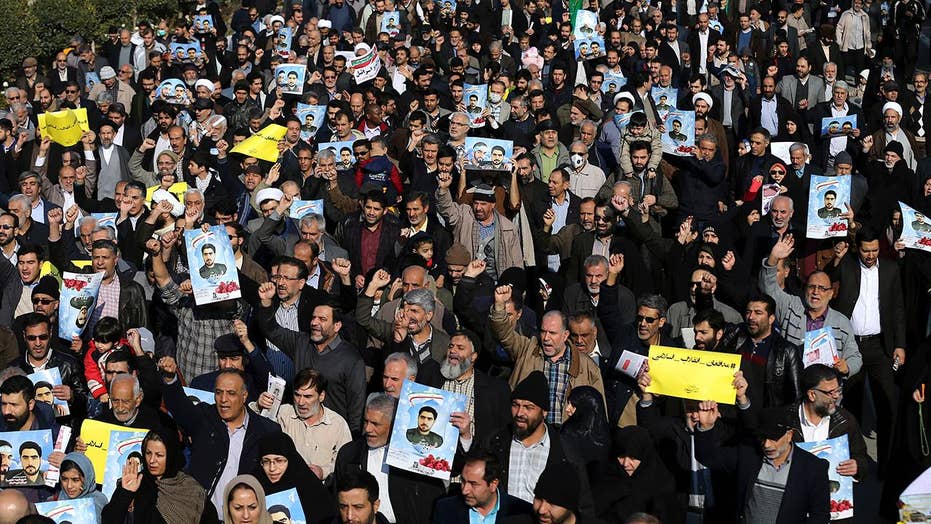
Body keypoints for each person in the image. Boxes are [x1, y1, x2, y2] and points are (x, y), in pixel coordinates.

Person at [156, 358, 281, 516]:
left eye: (231, 393)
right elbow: (181, 408)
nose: (223, 400)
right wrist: (170, 379)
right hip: (201, 514)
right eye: (219, 392)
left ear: (244, 396)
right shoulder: (204, 417)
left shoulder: (266, 431)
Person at [694, 405, 831, 523]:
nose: (767, 444)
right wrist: (706, 427)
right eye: (762, 437)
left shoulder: (813, 467)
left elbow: (820, 515)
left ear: (789, 435)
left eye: (773, 438)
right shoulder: (748, 455)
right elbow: (708, 457)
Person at [102, 428, 215, 523]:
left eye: (159, 455)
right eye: (148, 453)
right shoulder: (135, 481)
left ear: (171, 456)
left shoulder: (190, 489)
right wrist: (125, 493)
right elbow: (108, 520)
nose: (152, 460)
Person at [252, 432, 336, 524]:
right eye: (266, 461)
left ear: (290, 459)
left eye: (279, 461)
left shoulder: (310, 487)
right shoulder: (253, 488)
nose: (272, 468)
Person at [432, 452, 533, 523]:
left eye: (473, 484)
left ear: (493, 484)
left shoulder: (522, 512)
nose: (464, 490)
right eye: (463, 481)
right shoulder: (445, 508)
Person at [48, 452, 108, 520]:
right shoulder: (59, 498)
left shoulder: (98, 502)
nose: (69, 486)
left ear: (87, 478)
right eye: (64, 479)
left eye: (75, 480)